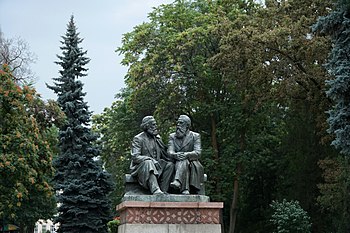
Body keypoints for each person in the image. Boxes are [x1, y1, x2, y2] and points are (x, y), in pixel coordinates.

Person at [130, 116, 174, 195]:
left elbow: (165, 155)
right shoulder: (138, 139)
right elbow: (135, 157)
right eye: (153, 125)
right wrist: (151, 160)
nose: (155, 127)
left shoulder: (157, 138)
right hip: (141, 167)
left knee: (170, 165)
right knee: (148, 163)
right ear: (147, 126)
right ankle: (155, 190)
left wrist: (174, 153)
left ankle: (163, 190)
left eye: (155, 125)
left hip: (156, 166)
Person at [168, 115, 204, 195]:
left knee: (184, 161)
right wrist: (175, 155)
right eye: (177, 123)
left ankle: (178, 182)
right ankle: (184, 189)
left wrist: (187, 155)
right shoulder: (172, 136)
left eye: (181, 123)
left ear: (187, 125)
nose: (178, 125)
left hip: (192, 163)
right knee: (182, 161)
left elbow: (198, 152)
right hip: (175, 161)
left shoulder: (195, 136)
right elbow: (170, 151)